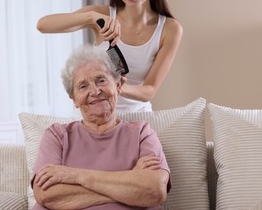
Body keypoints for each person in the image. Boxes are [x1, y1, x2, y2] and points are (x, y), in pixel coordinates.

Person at [37, 0, 183, 112]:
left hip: (137, 117)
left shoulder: (170, 29)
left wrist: (117, 85)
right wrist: (91, 17)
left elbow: (149, 90)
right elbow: (43, 25)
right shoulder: (101, 16)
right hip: (96, 115)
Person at [31, 45, 171, 209]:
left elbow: (155, 190)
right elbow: (46, 195)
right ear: (74, 99)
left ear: (117, 86)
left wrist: (76, 176)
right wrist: (130, 181)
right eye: (83, 86)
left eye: (101, 80)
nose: (95, 91)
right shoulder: (56, 135)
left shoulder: (142, 133)